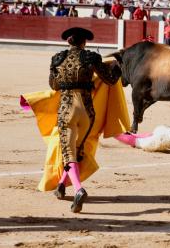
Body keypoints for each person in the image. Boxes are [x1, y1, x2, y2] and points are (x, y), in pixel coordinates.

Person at [49, 27, 121, 212]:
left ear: (68, 42)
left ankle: (79, 190)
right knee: (77, 151)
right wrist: (118, 66)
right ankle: (61, 186)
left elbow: (53, 85)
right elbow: (111, 80)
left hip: (67, 110)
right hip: (87, 111)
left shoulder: (57, 58)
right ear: (84, 43)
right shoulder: (91, 57)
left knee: (69, 154)